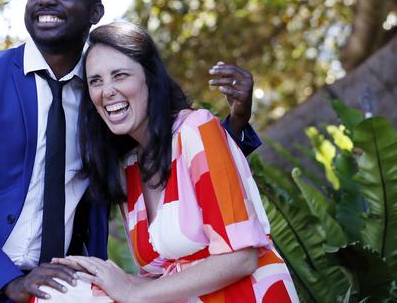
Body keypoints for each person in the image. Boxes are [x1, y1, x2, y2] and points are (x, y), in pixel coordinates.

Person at [0, 0, 260, 303]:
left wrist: (237, 122)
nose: (46, 1)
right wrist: (9, 281)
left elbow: (169, 154)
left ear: (95, 12)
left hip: (55, 291)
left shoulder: (102, 95)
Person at [49, 21, 297, 302]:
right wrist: (102, 279)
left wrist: (131, 291)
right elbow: (162, 277)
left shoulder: (196, 129)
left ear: (150, 78)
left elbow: (241, 257)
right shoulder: (128, 168)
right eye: (96, 81)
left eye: (119, 75)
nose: (107, 91)